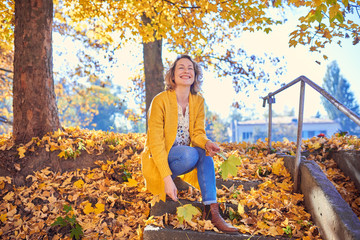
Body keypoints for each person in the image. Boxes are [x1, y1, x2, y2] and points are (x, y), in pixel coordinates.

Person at [141, 54, 238, 234]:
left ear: (195, 76)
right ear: (172, 75)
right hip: (160, 159)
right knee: (191, 154)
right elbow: (155, 144)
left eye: (190, 68)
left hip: (184, 157)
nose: (186, 71)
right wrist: (167, 179)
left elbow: (197, 133)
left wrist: (208, 143)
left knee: (203, 154)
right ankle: (169, 178)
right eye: (181, 68)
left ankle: (211, 209)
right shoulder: (160, 101)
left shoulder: (198, 101)